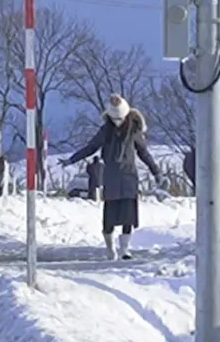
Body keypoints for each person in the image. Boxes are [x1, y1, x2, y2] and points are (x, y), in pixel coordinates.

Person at [67, 95, 162, 260]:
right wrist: (72, 159)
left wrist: (156, 171)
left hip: (129, 177)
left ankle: (124, 249)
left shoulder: (134, 130)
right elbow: (91, 147)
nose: (117, 121)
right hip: (111, 177)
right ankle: (110, 248)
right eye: (114, 118)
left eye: (120, 118)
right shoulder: (105, 131)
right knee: (109, 216)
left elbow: (143, 153)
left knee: (128, 215)